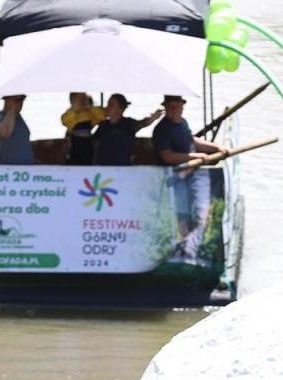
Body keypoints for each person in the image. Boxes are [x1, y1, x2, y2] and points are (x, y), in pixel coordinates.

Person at [150, 95, 227, 264]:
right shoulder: (161, 129)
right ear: (166, 107)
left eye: (178, 105)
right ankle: (184, 255)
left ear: (183, 106)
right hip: (174, 176)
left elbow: (191, 141)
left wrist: (215, 148)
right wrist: (196, 156)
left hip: (194, 174)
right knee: (182, 216)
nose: (175, 108)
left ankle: (192, 252)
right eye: (171, 105)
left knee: (202, 214)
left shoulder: (183, 123)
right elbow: (167, 156)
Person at [93, 93, 162, 167]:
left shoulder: (129, 124)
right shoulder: (103, 125)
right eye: (108, 104)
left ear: (120, 109)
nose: (107, 107)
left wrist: (153, 118)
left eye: (111, 105)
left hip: (124, 168)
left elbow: (144, 123)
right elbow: (95, 144)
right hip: (103, 168)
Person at [60, 92, 106, 165]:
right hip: (74, 145)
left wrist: (90, 107)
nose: (82, 101)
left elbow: (102, 116)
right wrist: (75, 110)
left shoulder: (90, 112)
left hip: (88, 145)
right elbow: (64, 121)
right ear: (72, 101)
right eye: (80, 99)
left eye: (84, 98)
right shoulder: (70, 113)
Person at [0, 94, 33, 165]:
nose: (20, 103)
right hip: (9, 171)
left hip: (26, 170)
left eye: (22, 99)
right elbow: (5, 133)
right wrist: (11, 109)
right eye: (17, 100)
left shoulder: (19, 118)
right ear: (7, 101)